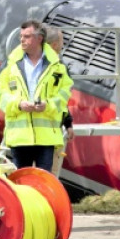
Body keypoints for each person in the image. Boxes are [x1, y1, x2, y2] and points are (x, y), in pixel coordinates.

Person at [0, 20, 73, 172]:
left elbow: (64, 95)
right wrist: (18, 104)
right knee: (22, 182)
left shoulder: (58, 66)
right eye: (21, 36)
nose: (22, 40)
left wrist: (47, 106)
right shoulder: (10, 64)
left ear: (39, 38)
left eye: (27, 36)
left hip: (46, 137)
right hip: (19, 137)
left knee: (43, 181)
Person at [44, 26, 74, 176]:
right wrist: (67, 123)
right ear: (55, 44)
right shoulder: (59, 67)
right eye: (62, 41)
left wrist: (68, 122)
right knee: (49, 176)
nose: (63, 44)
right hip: (50, 132)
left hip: (29, 135)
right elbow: (62, 99)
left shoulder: (28, 61)